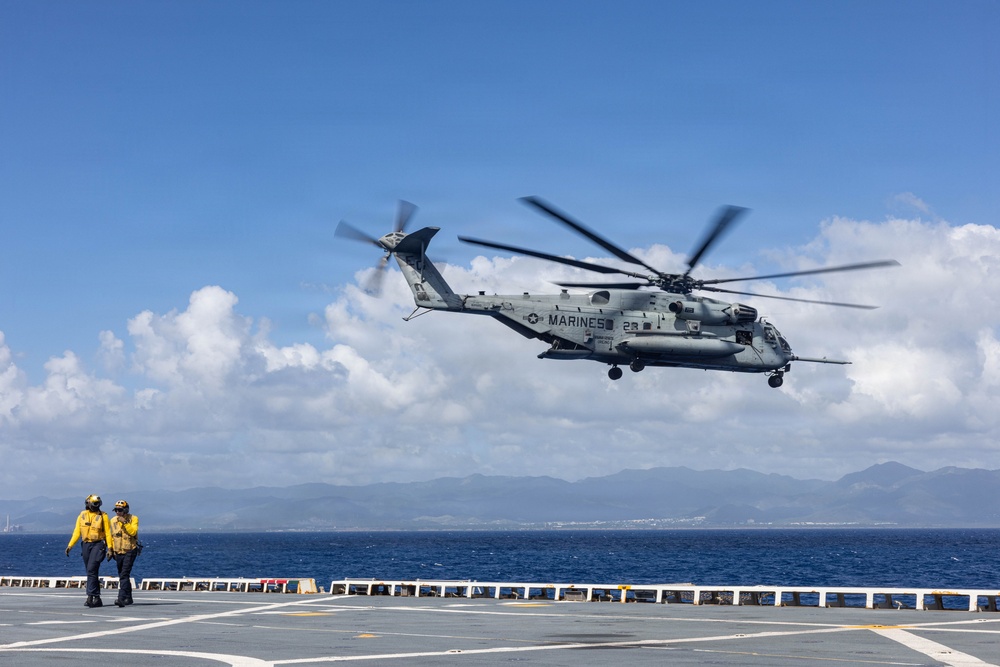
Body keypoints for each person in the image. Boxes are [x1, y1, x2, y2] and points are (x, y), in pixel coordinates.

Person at [65, 495, 113, 607]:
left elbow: (107, 533)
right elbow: (77, 532)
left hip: (98, 544)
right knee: (91, 571)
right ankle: (96, 598)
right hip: (86, 545)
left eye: (97, 504)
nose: (96, 506)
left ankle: (91, 595)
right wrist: (70, 545)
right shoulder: (82, 515)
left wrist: (110, 548)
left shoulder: (103, 516)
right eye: (94, 504)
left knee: (92, 569)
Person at [109, 499, 140, 607]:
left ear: (125, 510)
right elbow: (111, 537)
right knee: (122, 575)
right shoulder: (112, 521)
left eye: (120, 510)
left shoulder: (133, 519)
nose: (118, 512)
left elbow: (133, 532)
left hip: (130, 550)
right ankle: (129, 597)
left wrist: (125, 522)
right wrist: (110, 550)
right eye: (116, 510)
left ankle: (121, 598)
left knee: (124, 574)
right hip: (118, 551)